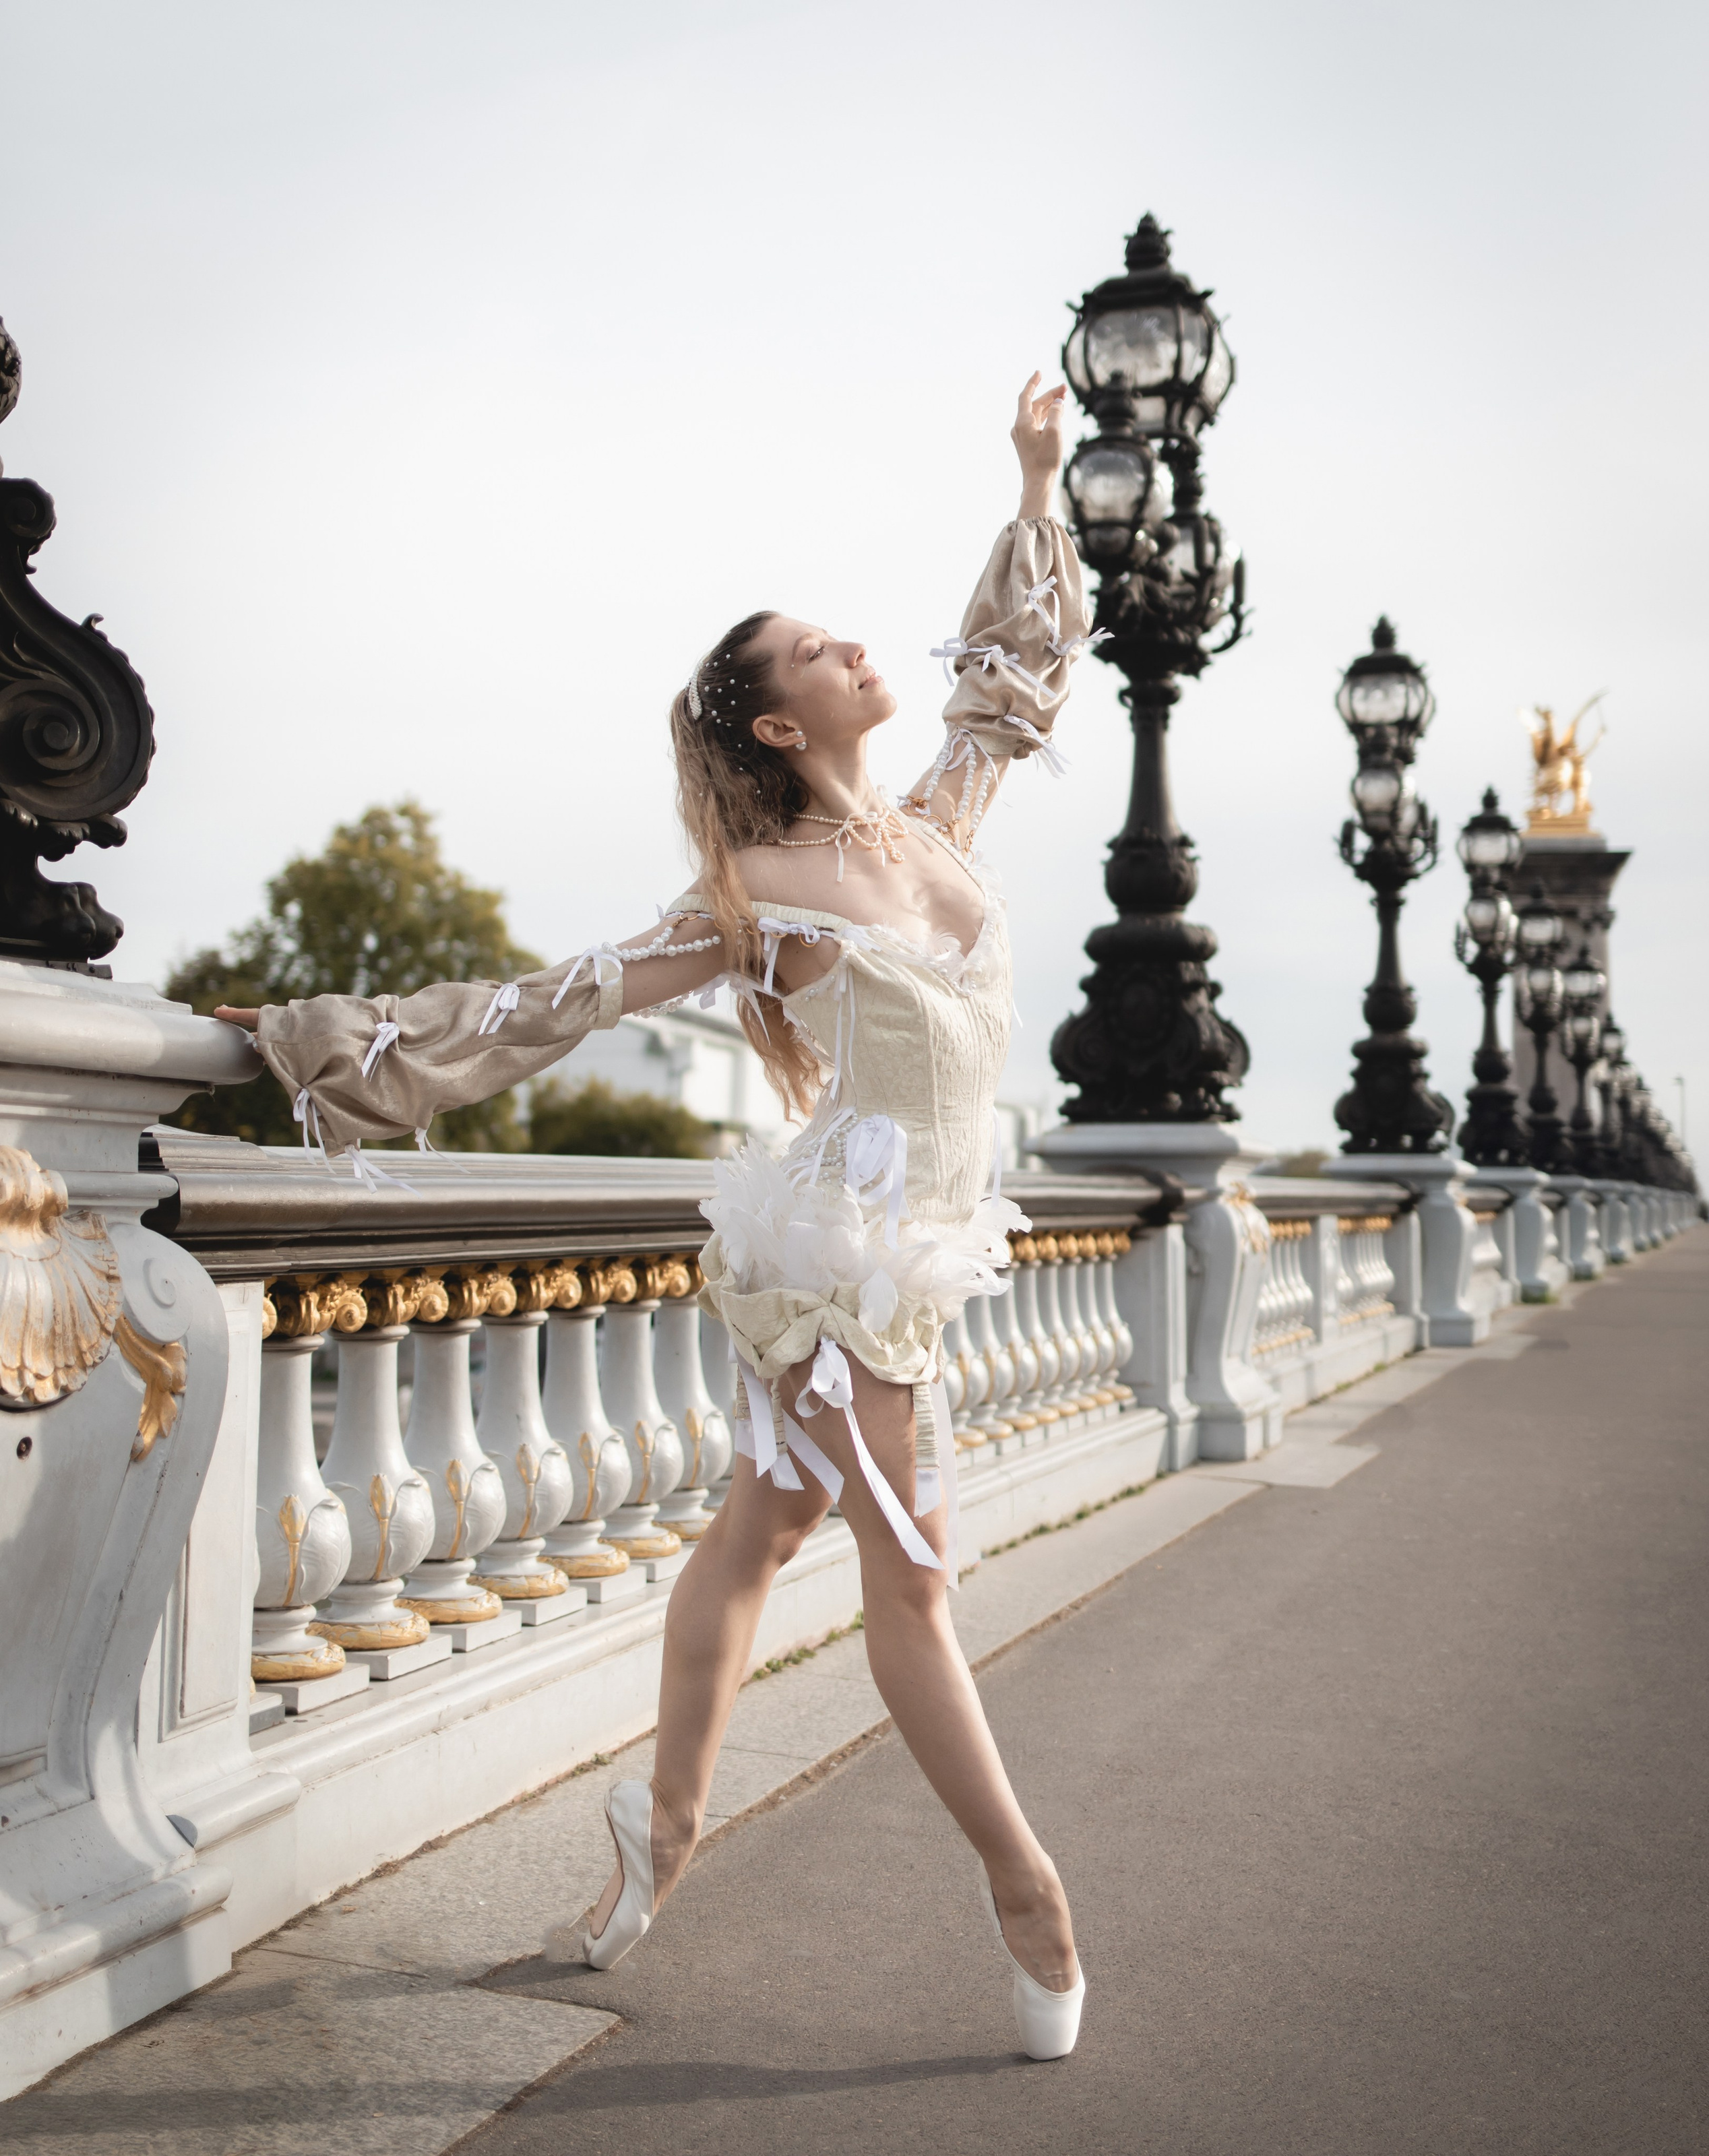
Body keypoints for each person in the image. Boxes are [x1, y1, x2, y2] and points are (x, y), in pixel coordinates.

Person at [219, 373, 1092, 2060]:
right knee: (906, 1589)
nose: (853, 651)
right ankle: (1026, 1892)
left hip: (902, 1245)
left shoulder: (936, 829)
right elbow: (542, 1007)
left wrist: (1034, 477)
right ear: (775, 725)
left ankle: (662, 1830)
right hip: (847, 1257)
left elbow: (1011, 682)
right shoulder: (754, 901)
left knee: (759, 1532)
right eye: (814, 650)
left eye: (843, 636)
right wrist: (304, 1040)